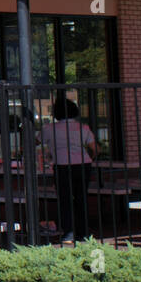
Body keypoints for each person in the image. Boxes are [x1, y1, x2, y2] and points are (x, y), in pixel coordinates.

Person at [38, 98, 97, 244]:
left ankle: (68, 232)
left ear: (56, 113)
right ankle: (83, 233)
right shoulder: (83, 128)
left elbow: (34, 142)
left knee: (65, 200)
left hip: (62, 165)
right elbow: (94, 148)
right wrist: (91, 158)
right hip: (83, 165)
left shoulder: (48, 128)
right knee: (81, 198)